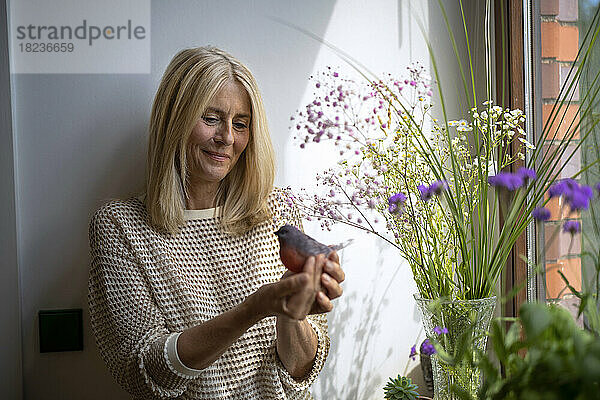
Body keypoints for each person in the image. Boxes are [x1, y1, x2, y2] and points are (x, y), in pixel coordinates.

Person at [87, 46, 345, 400]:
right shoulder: (121, 228)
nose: (227, 137)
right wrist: (256, 307)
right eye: (211, 119)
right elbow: (145, 375)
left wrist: (291, 314)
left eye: (240, 124)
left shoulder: (278, 211)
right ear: (174, 120)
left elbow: (301, 372)